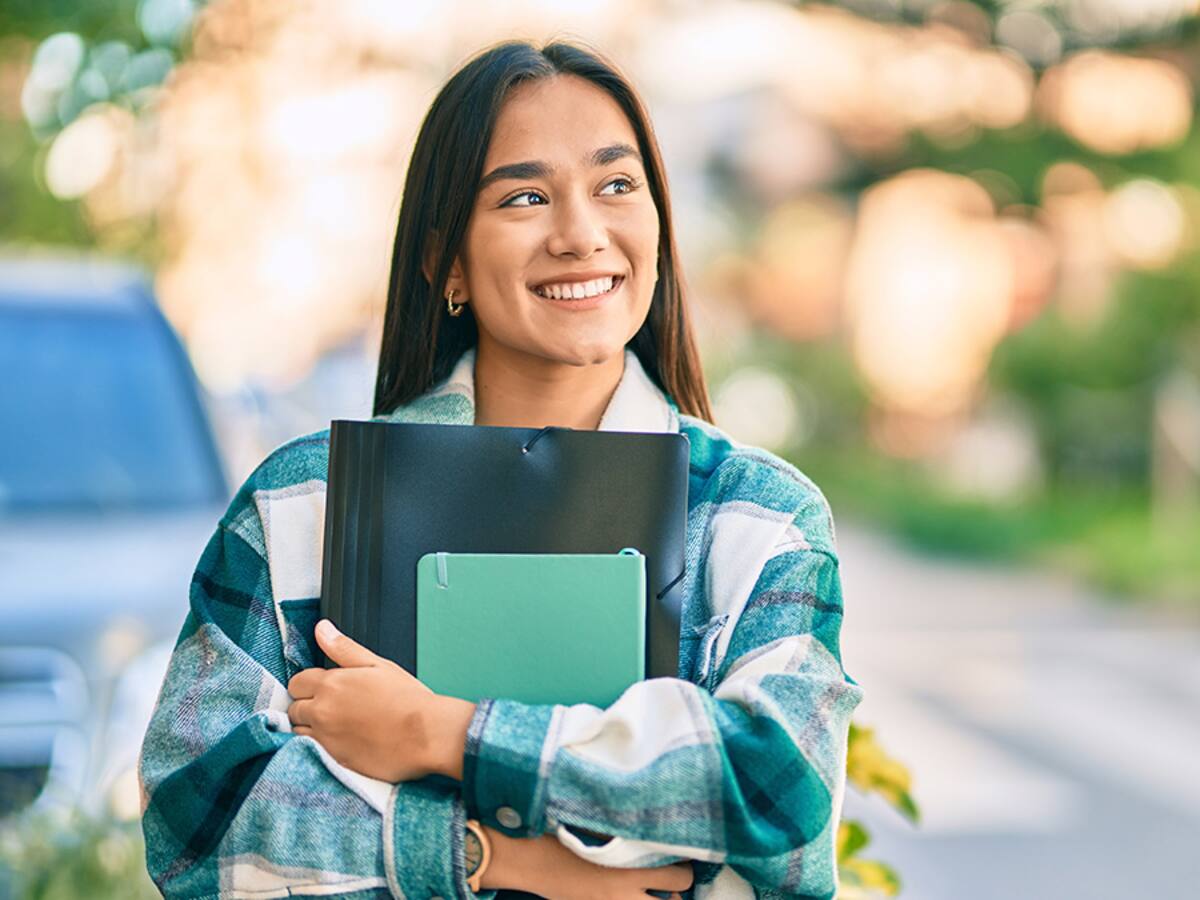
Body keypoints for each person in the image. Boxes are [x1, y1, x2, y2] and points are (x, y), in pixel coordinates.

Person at [139, 39, 864, 900]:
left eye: (616, 186)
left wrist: (446, 734)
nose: (582, 234)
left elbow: (780, 793)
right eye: (525, 196)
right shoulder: (307, 503)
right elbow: (197, 818)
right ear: (446, 260)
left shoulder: (759, 516)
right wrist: (498, 859)